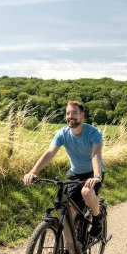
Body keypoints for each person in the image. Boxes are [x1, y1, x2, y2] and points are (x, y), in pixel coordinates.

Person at [23, 101, 104, 237]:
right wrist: (33, 172)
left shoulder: (93, 133)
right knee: (69, 214)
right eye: (68, 113)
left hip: (92, 173)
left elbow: (96, 154)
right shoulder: (62, 134)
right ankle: (66, 253)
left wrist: (96, 176)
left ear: (82, 115)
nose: (70, 116)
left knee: (86, 192)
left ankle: (97, 218)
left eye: (74, 113)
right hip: (75, 173)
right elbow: (50, 152)